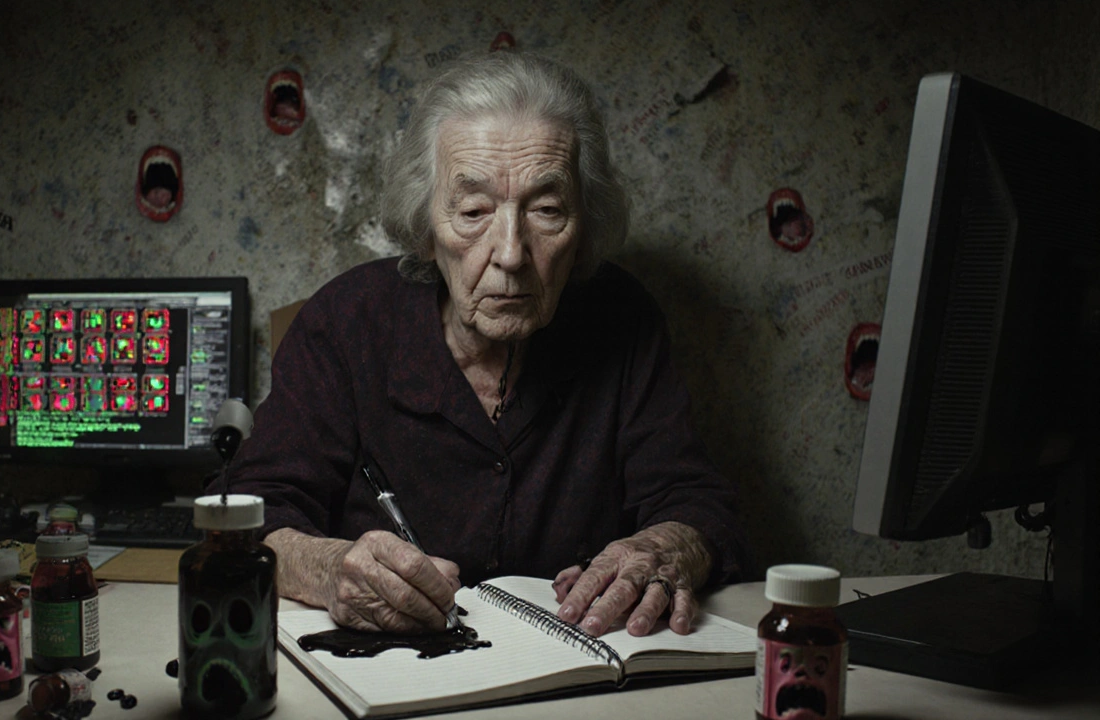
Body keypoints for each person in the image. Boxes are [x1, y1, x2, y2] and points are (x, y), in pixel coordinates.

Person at [213, 50, 745, 640]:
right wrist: (329, 568)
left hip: (577, 666)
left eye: (547, 210)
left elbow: (694, 500)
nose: (511, 254)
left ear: (583, 227)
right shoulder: (346, 321)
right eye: (473, 211)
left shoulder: (623, 318)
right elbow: (246, 511)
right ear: (426, 227)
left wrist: (664, 548)